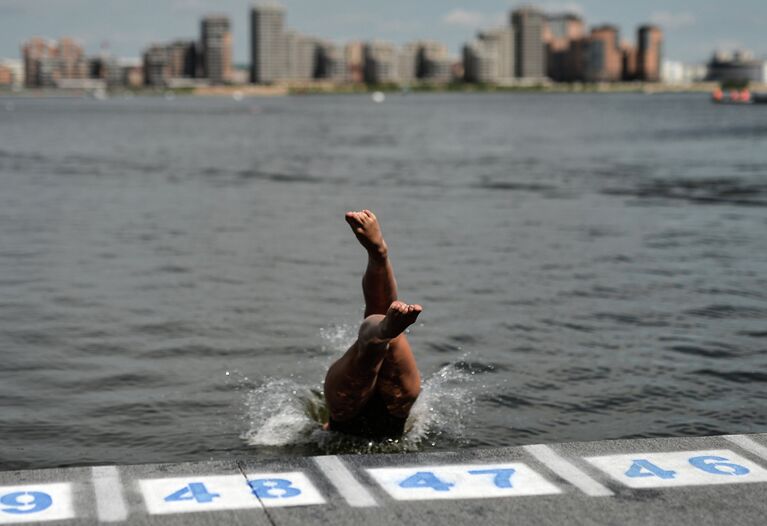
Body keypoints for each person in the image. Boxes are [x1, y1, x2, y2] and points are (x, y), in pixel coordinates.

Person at [323, 210, 423, 438]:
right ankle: (379, 256)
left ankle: (386, 330)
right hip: (396, 417)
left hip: (345, 420)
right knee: (370, 342)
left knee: (368, 347)